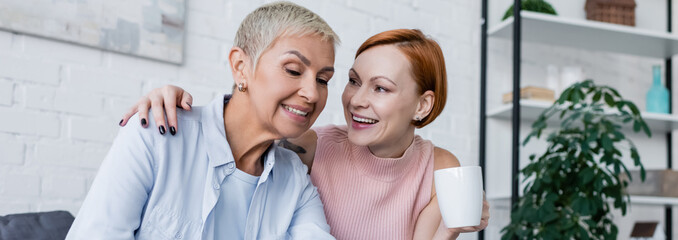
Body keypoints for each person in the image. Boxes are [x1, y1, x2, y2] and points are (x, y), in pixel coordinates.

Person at [121, 29, 489, 239]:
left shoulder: (441, 168)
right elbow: (239, 132)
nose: (356, 101)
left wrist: (451, 230)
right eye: (353, 82)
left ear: (423, 106)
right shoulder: (312, 146)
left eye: (380, 89)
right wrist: (175, 102)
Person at [67, 2, 338, 239]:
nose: (312, 93)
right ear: (240, 67)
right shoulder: (155, 136)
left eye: (322, 80)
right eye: (293, 70)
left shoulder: (294, 179)